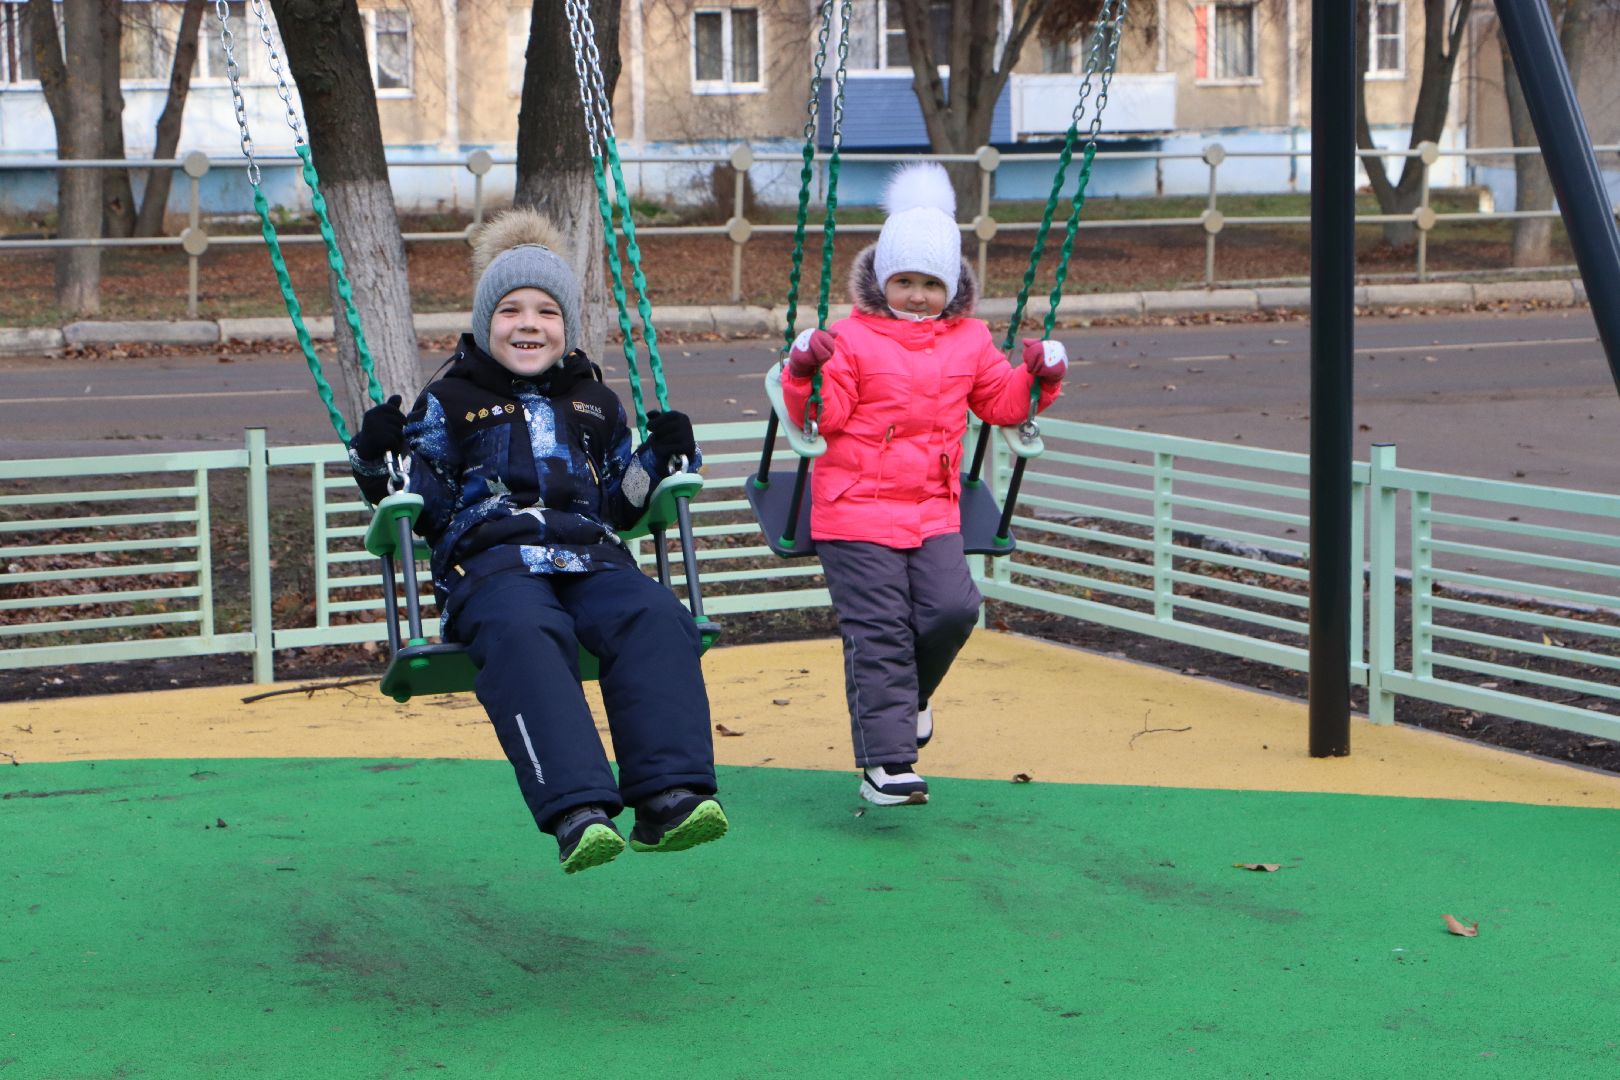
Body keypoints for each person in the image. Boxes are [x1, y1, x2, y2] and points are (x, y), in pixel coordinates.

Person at [347, 208, 726, 873]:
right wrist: (376, 457)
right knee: (526, 630)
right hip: (491, 566)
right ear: (484, 322)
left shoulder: (594, 403)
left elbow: (621, 500)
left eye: (547, 312)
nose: (529, 324)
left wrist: (662, 458)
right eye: (511, 311)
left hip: (592, 557)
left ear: (568, 328)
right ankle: (578, 809)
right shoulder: (450, 402)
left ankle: (669, 796)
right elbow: (415, 498)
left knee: (656, 615)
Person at [781, 163, 1070, 807]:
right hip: (854, 510)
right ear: (883, 280)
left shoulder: (968, 340)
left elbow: (1001, 400)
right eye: (904, 280)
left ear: (952, 286)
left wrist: (1039, 377)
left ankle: (910, 702)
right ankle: (886, 764)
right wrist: (807, 369)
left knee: (954, 609)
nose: (916, 295)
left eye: (930, 283)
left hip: (932, 508)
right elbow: (820, 416)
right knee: (880, 627)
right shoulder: (852, 339)